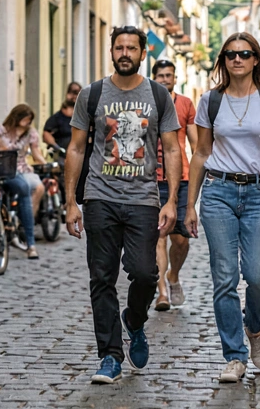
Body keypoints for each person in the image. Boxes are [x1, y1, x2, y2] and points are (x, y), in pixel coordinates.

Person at [64, 26, 182, 385]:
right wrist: (71, 201)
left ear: (143, 53)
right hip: (100, 197)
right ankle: (110, 356)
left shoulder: (159, 96)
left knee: (146, 273)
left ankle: (134, 319)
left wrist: (172, 199)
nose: (125, 53)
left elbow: (173, 148)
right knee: (102, 278)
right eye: (120, 47)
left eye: (132, 47)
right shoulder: (93, 94)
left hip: (144, 199)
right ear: (111, 51)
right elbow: (76, 148)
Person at [185, 32, 260, 385]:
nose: (237, 59)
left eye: (245, 54)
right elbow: (201, 152)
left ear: (255, 60)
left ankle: (253, 326)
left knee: (258, 275)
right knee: (225, 278)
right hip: (218, 191)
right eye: (231, 54)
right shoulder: (210, 101)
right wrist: (191, 203)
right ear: (223, 61)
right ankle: (234, 356)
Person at [152, 60, 198, 311]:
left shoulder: (185, 104)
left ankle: (173, 276)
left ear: (175, 78)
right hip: (151, 178)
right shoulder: (146, 103)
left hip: (181, 179)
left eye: (168, 75)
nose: (164, 79)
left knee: (181, 240)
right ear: (153, 78)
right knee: (158, 236)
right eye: (160, 75)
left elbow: (196, 143)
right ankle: (162, 294)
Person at [0, 104, 48, 259]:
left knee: (37, 187)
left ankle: (25, 225)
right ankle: (30, 241)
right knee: (25, 187)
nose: (28, 122)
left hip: (22, 169)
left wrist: (45, 164)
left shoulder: (30, 133)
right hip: (4, 171)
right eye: (25, 118)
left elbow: (36, 152)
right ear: (16, 116)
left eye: (30, 120)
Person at [43, 82, 82, 154]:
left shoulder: (85, 117)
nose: (74, 96)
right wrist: (57, 148)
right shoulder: (57, 118)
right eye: (72, 93)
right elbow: (46, 133)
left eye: (77, 93)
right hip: (63, 154)